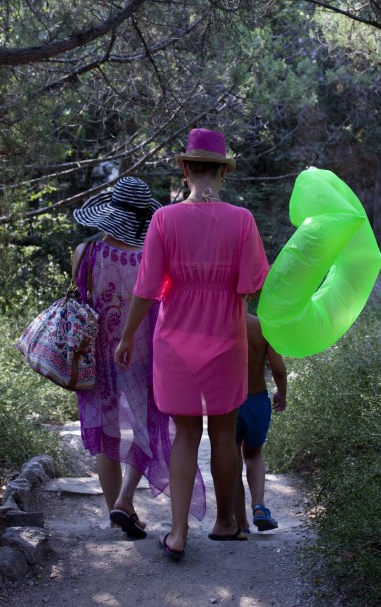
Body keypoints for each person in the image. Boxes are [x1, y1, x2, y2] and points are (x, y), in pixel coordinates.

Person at [115, 128, 269, 560]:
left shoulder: (163, 219)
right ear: (223, 172)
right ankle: (225, 522)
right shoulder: (242, 220)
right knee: (223, 436)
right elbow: (253, 283)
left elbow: (146, 287)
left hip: (175, 339)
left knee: (184, 435)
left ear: (185, 169)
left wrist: (128, 336)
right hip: (226, 336)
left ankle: (178, 531)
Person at [71, 176, 204, 539]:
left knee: (107, 433)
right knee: (152, 429)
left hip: (98, 354)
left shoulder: (85, 252)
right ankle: (125, 500)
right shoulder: (153, 257)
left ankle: (117, 507)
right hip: (146, 353)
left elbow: (82, 302)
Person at [234, 312, 287, 534]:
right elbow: (278, 368)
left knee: (231, 457)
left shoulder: (220, 323)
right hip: (257, 401)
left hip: (229, 403)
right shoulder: (262, 325)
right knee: (253, 455)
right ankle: (259, 507)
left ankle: (240, 522)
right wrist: (281, 394)